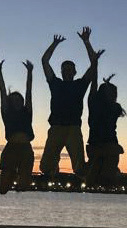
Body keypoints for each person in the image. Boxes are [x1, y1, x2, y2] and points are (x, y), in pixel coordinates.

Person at [39, 27, 99, 179]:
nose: (67, 71)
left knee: (80, 169)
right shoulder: (55, 83)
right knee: (44, 167)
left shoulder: (80, 85)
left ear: (74, 72)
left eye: (70, 69)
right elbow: (44, 61)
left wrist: (86, 41)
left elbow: (94, 64)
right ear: (61, 72)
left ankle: (97, 170)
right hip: (56, 127)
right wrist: (54, 44)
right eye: (64, 69)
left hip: (73, 128)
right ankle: (54, 167)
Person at [0, 55, 36, 194]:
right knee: (3, 190)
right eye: (14, 100)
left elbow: (29, 91)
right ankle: (10, 174)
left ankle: (17, 176)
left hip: (25, 148)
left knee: (24, 186)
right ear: (10, 102)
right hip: (11, 148)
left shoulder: (27, 111)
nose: (17, 101)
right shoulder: (7, 113)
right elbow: (2, 91)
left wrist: (30, 72)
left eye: (19, 99)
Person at [86, 50, 127, 187]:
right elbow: (93, 83)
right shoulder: (96, 102)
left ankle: (112, 175)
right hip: (99, 143)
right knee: (94, 179)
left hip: (107, 143)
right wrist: (95, 62)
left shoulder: (114, 107)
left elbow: (95, 85)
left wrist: (95, 62)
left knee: (103, 177)